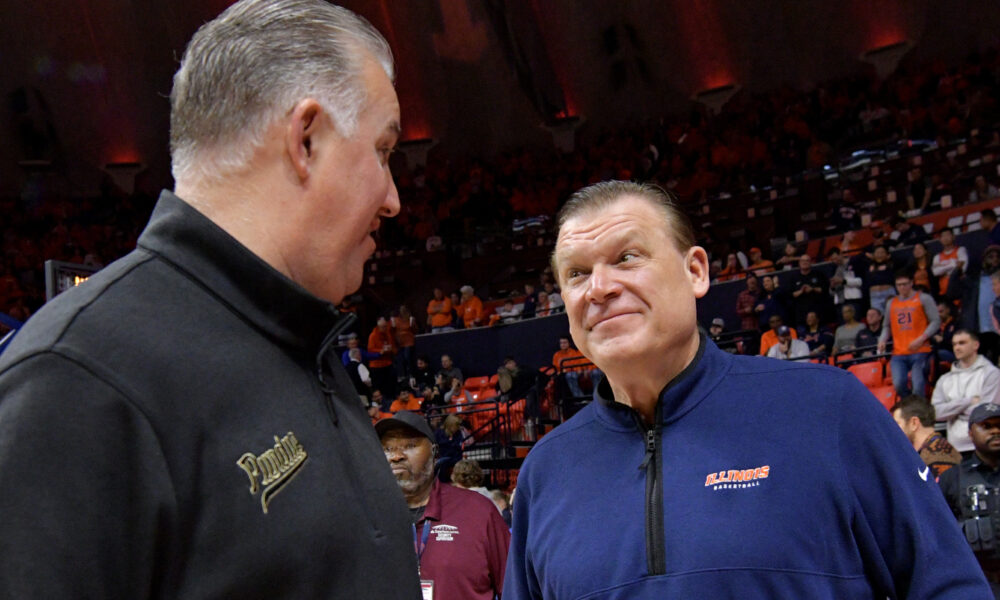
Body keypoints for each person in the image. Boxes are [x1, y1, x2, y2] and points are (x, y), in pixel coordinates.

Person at [0, 1, 422, 597]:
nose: (393, 198)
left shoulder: (296, 330)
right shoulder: (74, 380)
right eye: (383, 151)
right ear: (306, 140)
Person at [504, 180, 989, 599]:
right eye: (577, 273)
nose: (599, 288)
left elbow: (947, 586)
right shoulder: (546, 472)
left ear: (696, 271)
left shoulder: (828, 409)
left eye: (627, 257)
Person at [377, 411, 509, 600]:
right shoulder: (364, 520)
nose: (396, 456)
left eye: (410, 445)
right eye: (387, 449)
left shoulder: (478, 511)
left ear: (435, 454)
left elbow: (515, 589)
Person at [937, 403, 1000, 589]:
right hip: (979, 582)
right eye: (986, 426)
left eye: (999, 425)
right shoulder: (952, 478)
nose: (996, 431)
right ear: (971, 433)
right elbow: (939, 530)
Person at [932, 330, 1000, 455]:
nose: (957, 348)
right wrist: (967, 402)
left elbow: (986, 413)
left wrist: (952, 411)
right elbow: (935, 413)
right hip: (955, 448)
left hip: (987, 447)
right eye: (954, 344)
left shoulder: (991, 373)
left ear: (976, 345)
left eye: (962, 343)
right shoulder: (945, 379)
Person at [878, 271, 940, 398]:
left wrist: (922, 338)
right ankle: (911, 407)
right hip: (899, 352)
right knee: (899, 384)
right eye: (899, 285)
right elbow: (886, 326)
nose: (902, 287)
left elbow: (936, 321)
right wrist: (882, 339)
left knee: (918, 385)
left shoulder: (923, 298)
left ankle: (919, 410)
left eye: (905, 284)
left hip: (920, 350)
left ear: (912, 283)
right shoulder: (892, 303)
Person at [891, 395, 962, 479]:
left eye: (897, 424)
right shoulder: (934, 450)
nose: (893, 430)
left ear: (914, 423)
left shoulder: (937, 458)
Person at [789, 254, 830, 326]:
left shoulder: (818, 274)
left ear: (811, 262)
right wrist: (801, 291)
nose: (805, 262)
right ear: (799, 263)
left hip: (818, 312)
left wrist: (812, 289)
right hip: (801, 315)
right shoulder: (793, 277)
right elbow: (790, 294)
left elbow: (824, 289)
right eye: (802, 261)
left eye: (807, 260)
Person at [932, 229, 968, 298]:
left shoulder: (960, 250)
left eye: (948, 235)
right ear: (940, 239)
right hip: (944, 294)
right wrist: (953, 264)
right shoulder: (937, 257)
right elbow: (935, 272)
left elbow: (963, 268)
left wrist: (943, 270)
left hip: (959, 292)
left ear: (953, 237)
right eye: (943, 236)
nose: (945, 238)